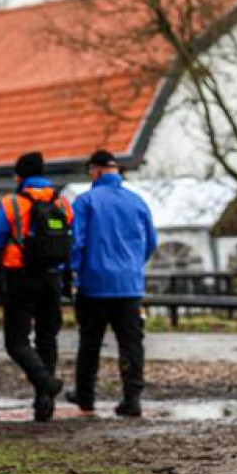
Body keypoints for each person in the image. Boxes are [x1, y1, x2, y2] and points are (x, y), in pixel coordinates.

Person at [66, 150, 158, 417]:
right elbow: (151, 241)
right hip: (129, 285)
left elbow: (76, 242)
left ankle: (86, 396)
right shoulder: (137, 202)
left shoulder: (85, 202)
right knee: (131, 342)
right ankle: (132, 398)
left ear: (94, 170)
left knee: (90, 341)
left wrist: (71, 270)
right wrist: (132, 266)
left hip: (94, 285)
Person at [0, 151, 74, 422]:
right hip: (53, 278)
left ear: (19, 176)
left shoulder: (12, 203)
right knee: (47, 338)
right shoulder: (63, 203)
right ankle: (44, 404)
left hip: (21, 277)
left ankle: (45, 383)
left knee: (16, 341)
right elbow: (73, 240)